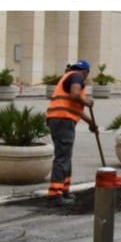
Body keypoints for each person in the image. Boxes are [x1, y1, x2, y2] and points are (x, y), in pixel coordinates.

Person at [46, 59, 97, 206]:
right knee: (62, 157)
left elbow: (74, 107)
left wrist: (91, 123)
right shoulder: (77, 76)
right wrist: (87, 101)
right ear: (86, 72)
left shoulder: (69, 76)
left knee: (65, 155)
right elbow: (75, 95)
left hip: (60, 119)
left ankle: (64, 190)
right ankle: (55, 195)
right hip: (63, 120)